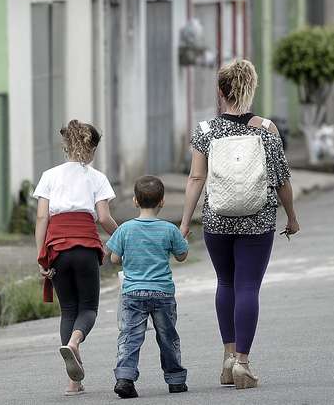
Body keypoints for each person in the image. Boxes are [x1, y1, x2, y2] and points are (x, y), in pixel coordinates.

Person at [180, 59, 299, 390]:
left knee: (226, 283)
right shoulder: (267, 129)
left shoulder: (205, 130)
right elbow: (281, 180)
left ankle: (228, 358)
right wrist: (291, 215)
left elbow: (196, 177)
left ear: (220, 91)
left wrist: (185, 222)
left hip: (217, 219)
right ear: (252, 88)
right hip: (257, 219)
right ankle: (243, 364)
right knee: (248, 286)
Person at [34, 119, 119, 397]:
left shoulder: (49, 175)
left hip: (57, 248)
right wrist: (121, 237)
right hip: (85, 248)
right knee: (88, 309)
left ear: (65, 145)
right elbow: (104, 218)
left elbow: (42, 217)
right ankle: (75, 342)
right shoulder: (96, 178)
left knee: (68, 310)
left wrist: (42, 258)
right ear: (92, 149)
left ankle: (73, 382)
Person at [107, 175, 189, 399]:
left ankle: (125, 378)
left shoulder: (125, 229)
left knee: (130, 336)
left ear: (134, 201)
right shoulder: (168, 229)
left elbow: (114, 259)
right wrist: (182, 239)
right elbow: (182, 256)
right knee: (167, 336)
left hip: (132, 293)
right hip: (162, 292)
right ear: (162, 202)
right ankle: (175, 380)